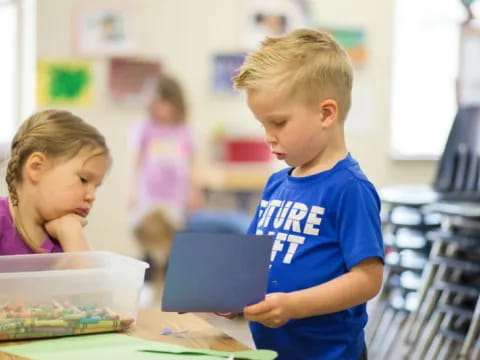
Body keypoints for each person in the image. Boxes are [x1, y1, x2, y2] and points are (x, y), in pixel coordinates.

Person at [229, 28, 384, 360]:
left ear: (326, 114)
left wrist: (293, 305)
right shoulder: (275, 184)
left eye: (279, 123)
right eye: (263, 125)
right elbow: (250, 259)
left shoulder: (350, 188)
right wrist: (232, 295)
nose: (268, 138)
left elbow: (368, 279)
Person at [0, 109, 110, 255]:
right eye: (83, 180)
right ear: (36, 168)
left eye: (96, 187)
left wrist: (72, 233)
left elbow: (90, 278)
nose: (92, 196)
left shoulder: (64, 237)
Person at [129, 74, 202, 227]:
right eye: (159, 102)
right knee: (149, 234)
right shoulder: (145, 128)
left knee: (173, 236)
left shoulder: (185, 130)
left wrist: (194, 191)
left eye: (168, 102)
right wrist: (132, 192)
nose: (164, 107)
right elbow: (136, 162)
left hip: (176, 197)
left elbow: (192, 165)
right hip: (149, 195)